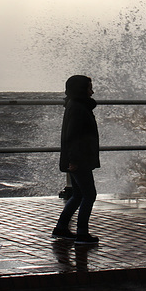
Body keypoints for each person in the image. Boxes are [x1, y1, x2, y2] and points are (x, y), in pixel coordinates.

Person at [52, 75, 100, 244]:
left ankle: (61, 228)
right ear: (81, 90)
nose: (92, 91)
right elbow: (73, 137)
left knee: (78, 194)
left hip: (78, 158)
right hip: (80, 159)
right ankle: (82, 233)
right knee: (89, 194)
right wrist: (73, 160)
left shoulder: (75, 105)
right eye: (89, 88)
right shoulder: (78, 108)